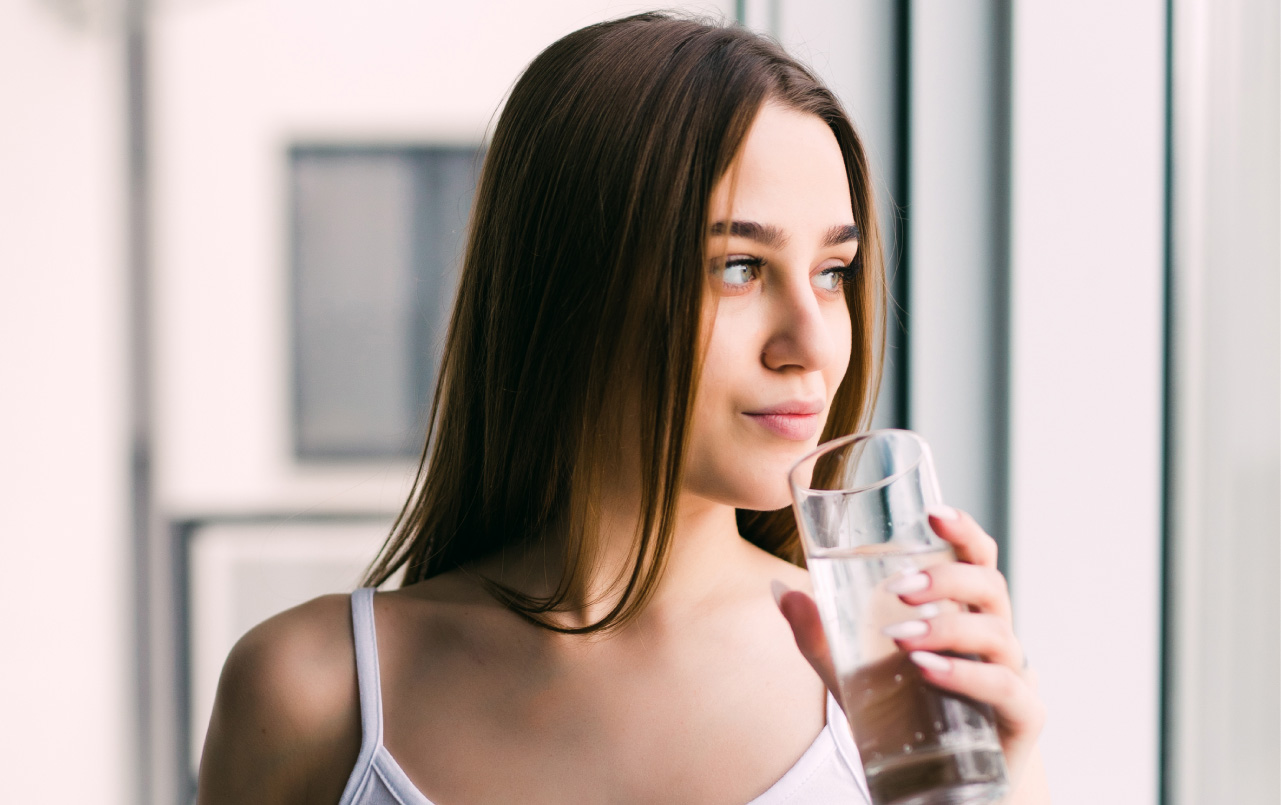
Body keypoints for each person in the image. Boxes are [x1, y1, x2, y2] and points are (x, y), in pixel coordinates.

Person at [197, 12, 1049, 804]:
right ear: (573, 287)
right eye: (739, 267)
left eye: (833, 273)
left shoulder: (895, 698)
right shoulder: (313, 693)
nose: (814, 342)